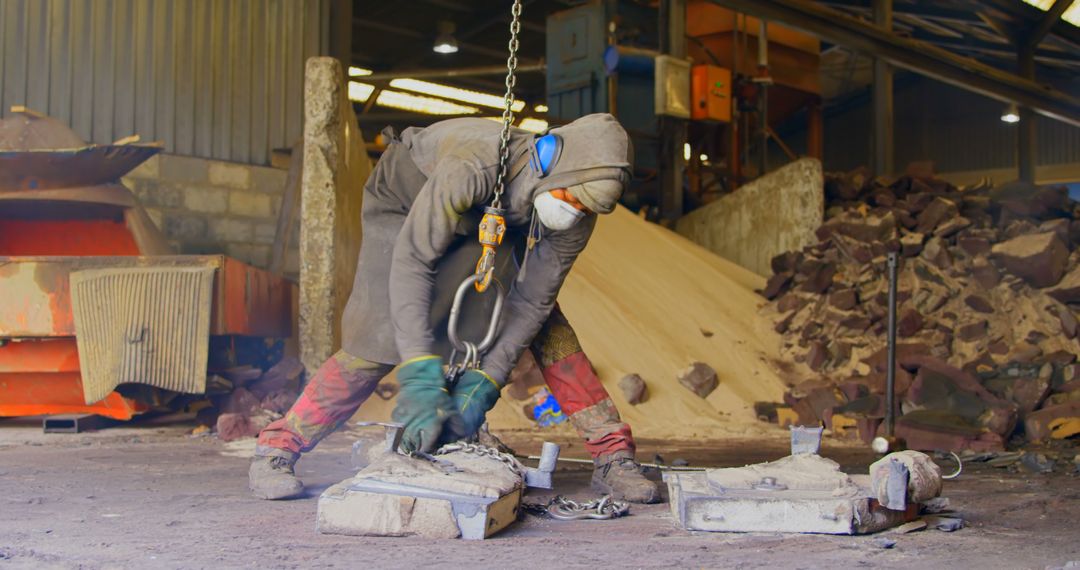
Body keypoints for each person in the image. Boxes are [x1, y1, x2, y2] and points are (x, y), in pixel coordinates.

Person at [248, 113, 659, 503]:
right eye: (570, 198)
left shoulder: (578, 210)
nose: (573, 212)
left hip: (492, 216)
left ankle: (613, 455)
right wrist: (421, 376)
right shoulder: (472, 166)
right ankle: (278, 447)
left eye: (585, 208)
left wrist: (487, 381)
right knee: (381, 330)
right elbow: (413, 262)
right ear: (551, 161)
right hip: (408, 205)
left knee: (548, 329)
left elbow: (535, 299)